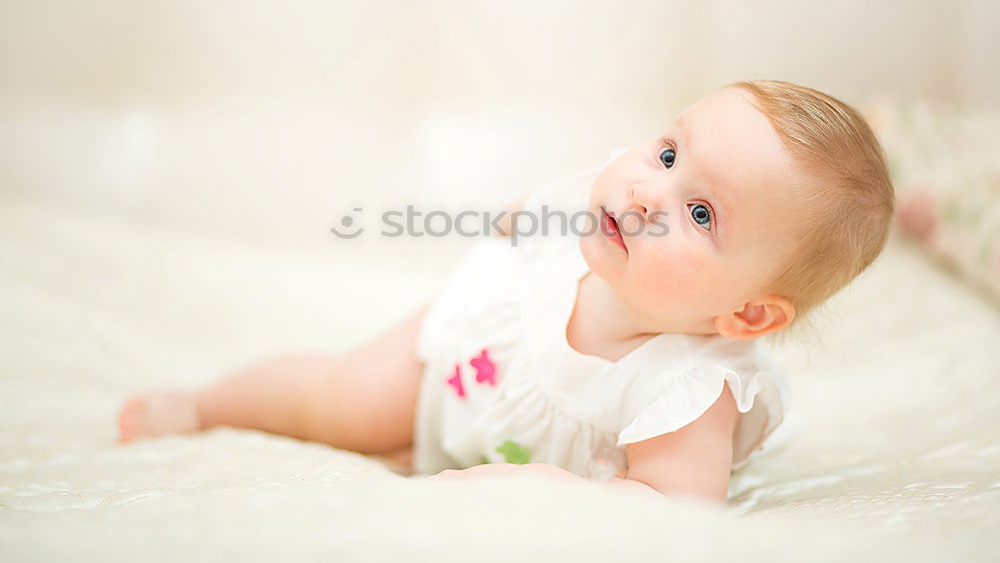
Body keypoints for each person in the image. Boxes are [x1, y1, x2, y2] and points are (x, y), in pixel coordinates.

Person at [116, 80, 895, 504]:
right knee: (340, 395)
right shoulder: (609, 212)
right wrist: (515, 230)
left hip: (516, 437)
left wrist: (544, 490)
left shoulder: (686, 392)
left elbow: (673, 510)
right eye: (667, 151)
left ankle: (422, 448)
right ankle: (205, 406)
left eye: (700, 213)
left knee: (389, 437)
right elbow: (538, 210)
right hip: (481, 344)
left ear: (747, 313)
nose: (649, 190)